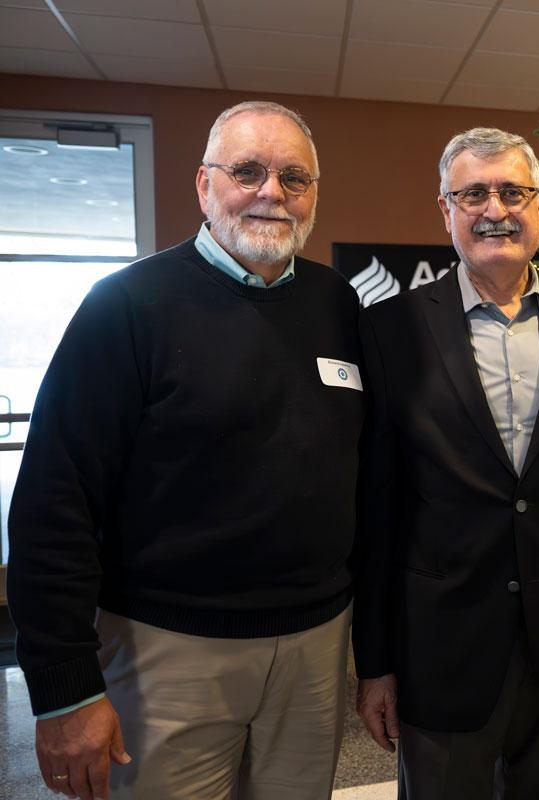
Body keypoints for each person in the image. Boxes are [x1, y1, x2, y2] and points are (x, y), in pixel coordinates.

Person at [7, 100, 363, 800]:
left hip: (317, 649)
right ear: (204, 186)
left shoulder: (336, 302)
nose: (272, 192)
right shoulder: (126, 306)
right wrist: (64, 687)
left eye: (295, 177)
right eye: (248, 171)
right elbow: (55, 500)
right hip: (168, 650)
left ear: (314, 194)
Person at [353, 127, 539, 799]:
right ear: (446, 210)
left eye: (512, 191)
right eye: (473, 193)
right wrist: (376, 663)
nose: (494, 210)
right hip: (441, 647)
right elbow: (378, 510)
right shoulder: (391, 329)